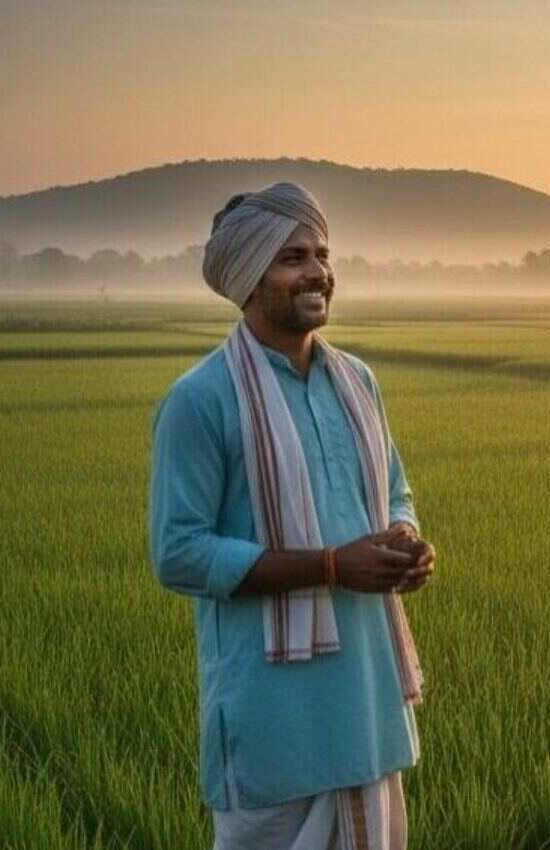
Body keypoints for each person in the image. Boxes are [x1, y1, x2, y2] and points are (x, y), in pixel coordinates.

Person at [148, 181, 435, 850]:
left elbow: (395, 489)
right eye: (292, 258)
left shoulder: (357, 383)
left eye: (322, 254)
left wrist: (406, 538)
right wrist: (334, 565)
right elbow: (179, 553)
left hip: (365, 704)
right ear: (248, 279)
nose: (317, 273)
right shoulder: (200, 400)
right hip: (271, 719)